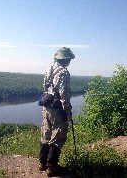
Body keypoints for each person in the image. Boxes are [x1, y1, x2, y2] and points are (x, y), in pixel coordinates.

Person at [39, 47, 75, 177]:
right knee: (57, 136)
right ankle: (52, 167)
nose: (70, 62)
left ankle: (42, 163)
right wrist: (68, 112)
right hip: (57, 108)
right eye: (69, 59)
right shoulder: (64, 72)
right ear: (66, 60)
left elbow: (45, 87)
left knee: (45, 134)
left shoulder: (49, 69)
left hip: (46, 106)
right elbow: (64, 94)